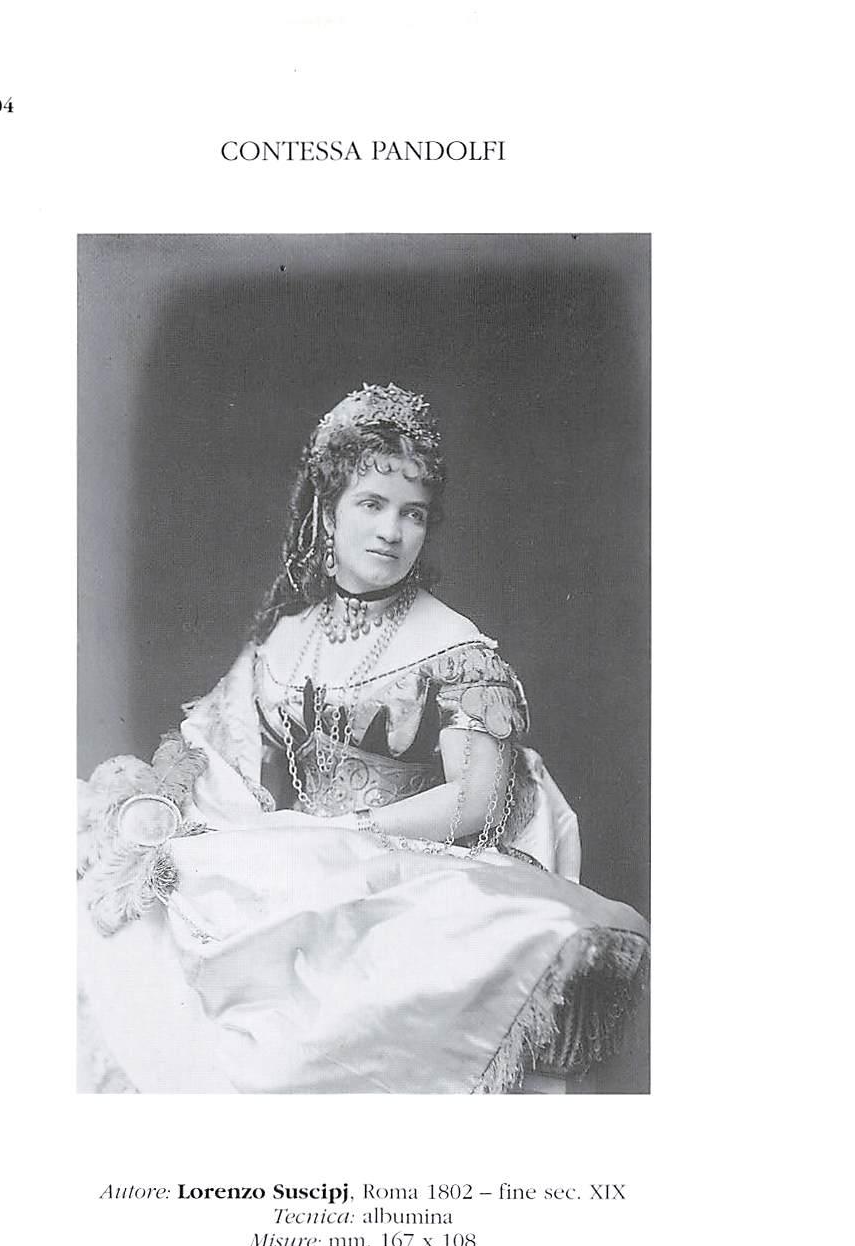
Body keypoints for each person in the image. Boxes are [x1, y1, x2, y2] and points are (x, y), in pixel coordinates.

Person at [77, 383, 649, 1093]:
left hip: (413, 865)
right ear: (327, 512)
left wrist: (345, 833)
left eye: (413, 513)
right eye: (371, 504)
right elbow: (214, 745)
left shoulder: (458, 649)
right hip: (299, 859)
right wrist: (161, 804)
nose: (391, 531)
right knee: (133, 909)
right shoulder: (288, 634)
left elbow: (475, 803)